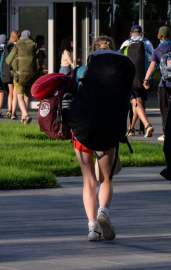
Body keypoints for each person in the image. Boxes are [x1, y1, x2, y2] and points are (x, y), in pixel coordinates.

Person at [71, 36, 129, 241]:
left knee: (88, 180)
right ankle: (103, 211)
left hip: (82, 131)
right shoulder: (120, 72)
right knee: (106, 178)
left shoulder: (80, 71)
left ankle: (92, 228)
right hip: (108, 130)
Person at [143, 26, 171, 141]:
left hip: (164, 84)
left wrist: (146, 80)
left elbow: (152, 67)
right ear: (170, 36)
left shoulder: (157, 51)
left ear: (158, 37)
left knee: (164, 109)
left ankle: (166, 133)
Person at [120, 25, 154, 137]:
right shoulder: (147, 43)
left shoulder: (125, 43)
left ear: (131, 33)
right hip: (143, 78)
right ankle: (131, 129)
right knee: (137, 102)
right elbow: (153, 60)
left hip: (129, 78)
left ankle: (147, 125)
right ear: (141, 33)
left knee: (136, 102)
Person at [6, 30, 43, 124]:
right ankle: (23, 119)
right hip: (32, 76)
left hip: (19, 76)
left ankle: (25, 115)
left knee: (20, 97)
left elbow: (8, 60)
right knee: (27, 97)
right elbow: (41, 61)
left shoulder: (17, 45)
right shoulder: (34, 45)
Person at [3, 30, 20, 120]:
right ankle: (13, 113)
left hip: (7, 72)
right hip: (16, 71)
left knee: (10, 92)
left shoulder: (7, 46)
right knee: (15, 92)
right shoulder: (18, 46)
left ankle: (9, 110)